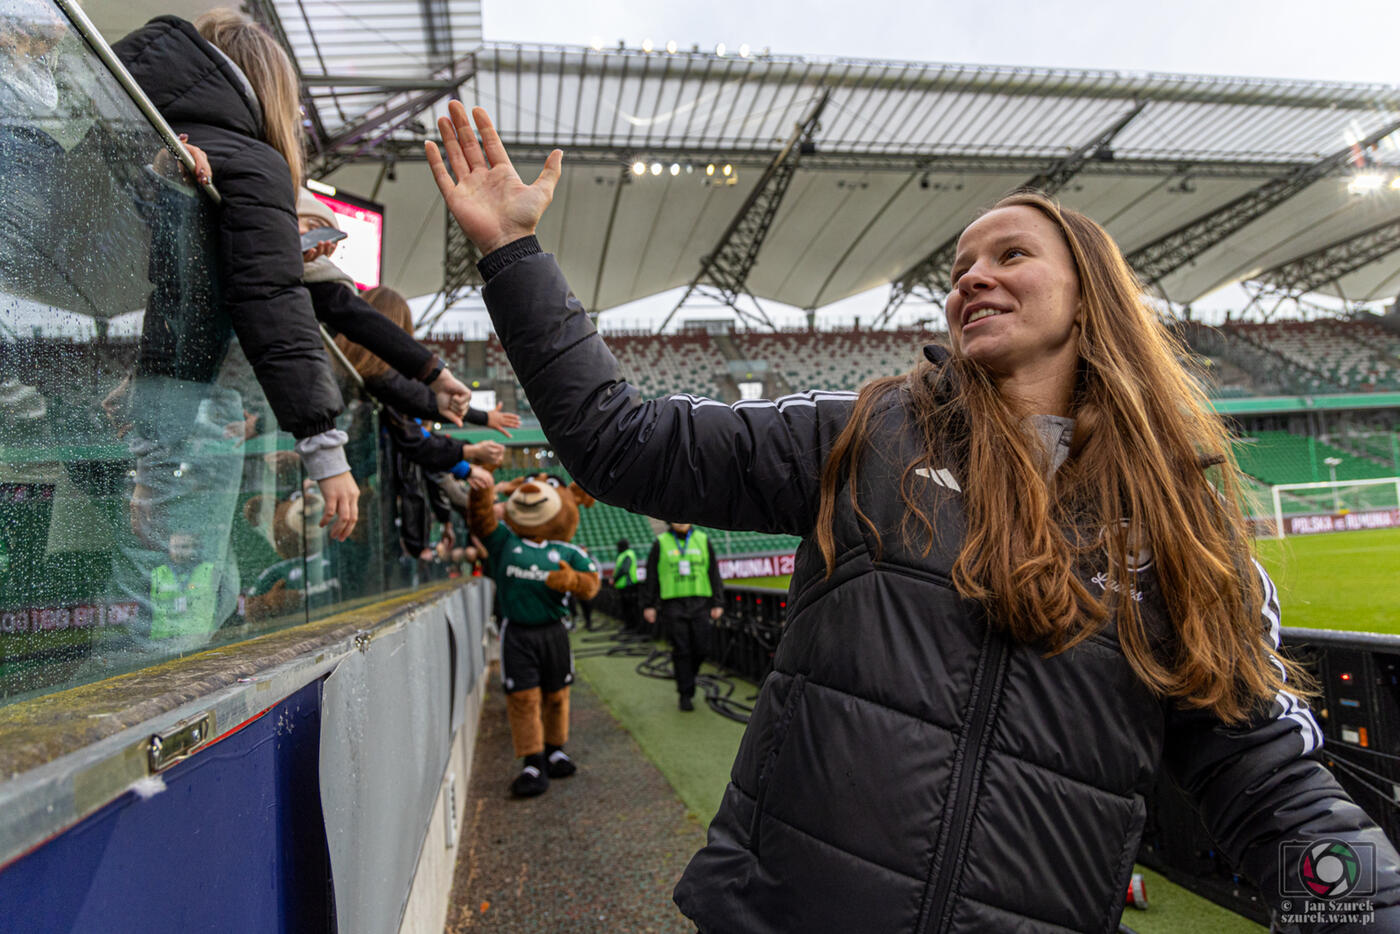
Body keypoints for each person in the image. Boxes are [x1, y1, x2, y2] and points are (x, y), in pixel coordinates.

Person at [425, 104, 1400, 931]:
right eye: (960, 265)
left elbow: (1257, 772)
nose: (970, 275)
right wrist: (510, 250)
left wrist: (1365, 898)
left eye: (1010, 254)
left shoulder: (1178, 518)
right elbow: (620, 442)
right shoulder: (864, 432)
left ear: (1088, 296)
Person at [114, 10, 358, 541]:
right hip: (179, 414)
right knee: (177, 583)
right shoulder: (253, 161)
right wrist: (323, 444)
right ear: (271, 94)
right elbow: (270, 299)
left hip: (151, 407)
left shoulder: (120, 120)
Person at [642, 522, 725, 710]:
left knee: (702, 647)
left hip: (700, 603)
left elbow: (713, 573)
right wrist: (649, 605)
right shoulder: (661, 543)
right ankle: (685, 693)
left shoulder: (702, 539)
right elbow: (652, 576)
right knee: (681, 649)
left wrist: (718, 602)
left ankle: (689, 676)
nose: (680, 520)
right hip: (673, 605)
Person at [610, 538, 643, 633]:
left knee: (631, 608)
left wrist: (615, 579)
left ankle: (634, 627)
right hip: (623, 586)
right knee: (626, 608)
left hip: (629, 585)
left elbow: (624, 570)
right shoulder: (623, 554)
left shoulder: (628, 554)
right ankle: (629, 626)